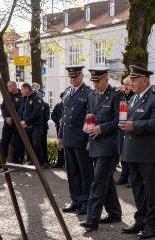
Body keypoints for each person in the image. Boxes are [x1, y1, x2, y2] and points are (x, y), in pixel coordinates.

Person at [119, 65, 155, 239]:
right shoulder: (132, 99)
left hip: (149, 153)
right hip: (132, 152)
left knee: (152, 192)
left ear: (145, 80)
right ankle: (141, 220)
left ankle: (152, 225)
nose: (131, 83)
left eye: (134, 80)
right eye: (131, 80)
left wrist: (135, 126)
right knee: (138, 190)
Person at [79, 68, 124, 231]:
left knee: (98, 182)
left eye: (98, 81)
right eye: (94, 82)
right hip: (95, 143)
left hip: (109, 145)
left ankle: (92, 219)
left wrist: (101, 129)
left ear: (106, 79)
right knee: (106, 180)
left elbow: (119, 120)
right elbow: (89, 114)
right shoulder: (91, 95)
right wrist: (87, 126)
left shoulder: (116, 95)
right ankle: (115, 212)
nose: (96, 85)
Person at [57, 65, 93, 215]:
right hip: (68, 138)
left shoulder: (89, 93)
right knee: (72, 172)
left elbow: (90, 117)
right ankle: (76, 200)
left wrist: (90, 138)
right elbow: (63, 117)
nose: (73, 79)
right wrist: (60, 136)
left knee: (85, 172)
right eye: (71, 77)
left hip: (81, 138)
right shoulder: (67, 92)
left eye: (76, 77)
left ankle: (86, 202)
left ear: (82, 76)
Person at [17, 83, 44, 166]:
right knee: (28, 144)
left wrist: (26, 121)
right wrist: (21, 121)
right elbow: (20, 111)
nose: (21, 92)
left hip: (36, 125)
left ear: (27, 90)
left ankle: (39, 162)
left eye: (22, 90)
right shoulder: (24, 98)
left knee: (36, 144)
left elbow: (36, 112)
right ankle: (30, 161)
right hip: (25, 125)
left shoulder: (37, 98)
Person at [115, 76, 134, 186]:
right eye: (124, 84)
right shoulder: (122, 97)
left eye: (127, 85)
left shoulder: (134, 97)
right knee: (123, 153)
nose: (125, 87)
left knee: (130, 154)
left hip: (131, 128)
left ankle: (132, 178)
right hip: (122, 129)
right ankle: (124, 176)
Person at [0, 81, 22, 166]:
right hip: (7, 123)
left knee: (17, 142)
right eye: (7, 86)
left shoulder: (21, 96)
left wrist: (12, 118)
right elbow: (3, 108)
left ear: (15, 86)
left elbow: (20, 110)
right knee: (4, 141)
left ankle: (16, 161)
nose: (8, 88)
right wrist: (6, 118)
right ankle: (2, 160)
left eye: (10, 86)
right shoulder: (7, 95)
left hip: (16, 123)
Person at [51, 92, 65, 168]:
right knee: (59, 144)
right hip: (59, 127)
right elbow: (53, 115)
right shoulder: (57, 106)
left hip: (67, 128)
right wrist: (58, 120)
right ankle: (60, 161)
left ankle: (66, 161)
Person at [37, 89, 50, 167]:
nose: (38, 95)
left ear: (42, 94)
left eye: (39, 93)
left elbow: (46, 117)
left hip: (42, 127)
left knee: (43, 144)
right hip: (34, 127)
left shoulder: (45, 105)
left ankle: (44, 161)